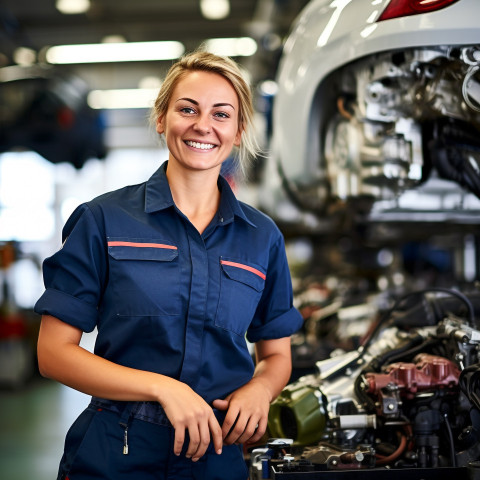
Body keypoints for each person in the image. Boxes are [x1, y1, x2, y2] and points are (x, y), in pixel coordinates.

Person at [35, 50, 303, 480]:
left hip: (215, 455)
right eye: (187, 109)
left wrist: (260, 389)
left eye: (221, 114)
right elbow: (53, 354)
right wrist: (162, 388)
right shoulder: (103, 219)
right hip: (117, 453)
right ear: (162, 118)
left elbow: (276, 354)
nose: (203, 125)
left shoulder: (262, 237)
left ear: (238, 131)